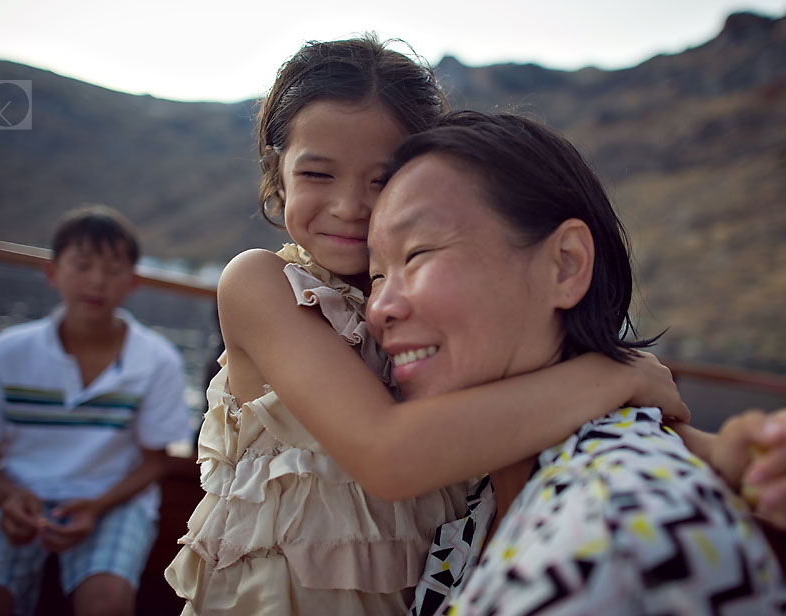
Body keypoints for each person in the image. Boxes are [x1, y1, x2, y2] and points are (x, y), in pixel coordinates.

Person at [164, 35, 704, 616]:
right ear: (278, 172)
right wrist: (611, 377)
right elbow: (386, 454)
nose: (349, 205)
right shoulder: (261, 285)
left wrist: (729, 453)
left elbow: (530, 400)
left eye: (380, 181)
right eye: (318, 174)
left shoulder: (430, 317)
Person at [364, 111, 786, 614]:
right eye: (374, 275)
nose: (378, 309)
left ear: (565, 264)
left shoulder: (615, 541)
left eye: (417, 254)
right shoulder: (484, 485)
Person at [0, 204, 192, 616]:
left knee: (107, 603)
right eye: (82, 265)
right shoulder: (5, 354)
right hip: (17, 495)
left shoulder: (156, 359)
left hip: (113, 499)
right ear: (52, 272)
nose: (97, 281)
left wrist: (96, 506)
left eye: (113, 270)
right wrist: (11, 498)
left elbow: (155, 462)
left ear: (133, 282)